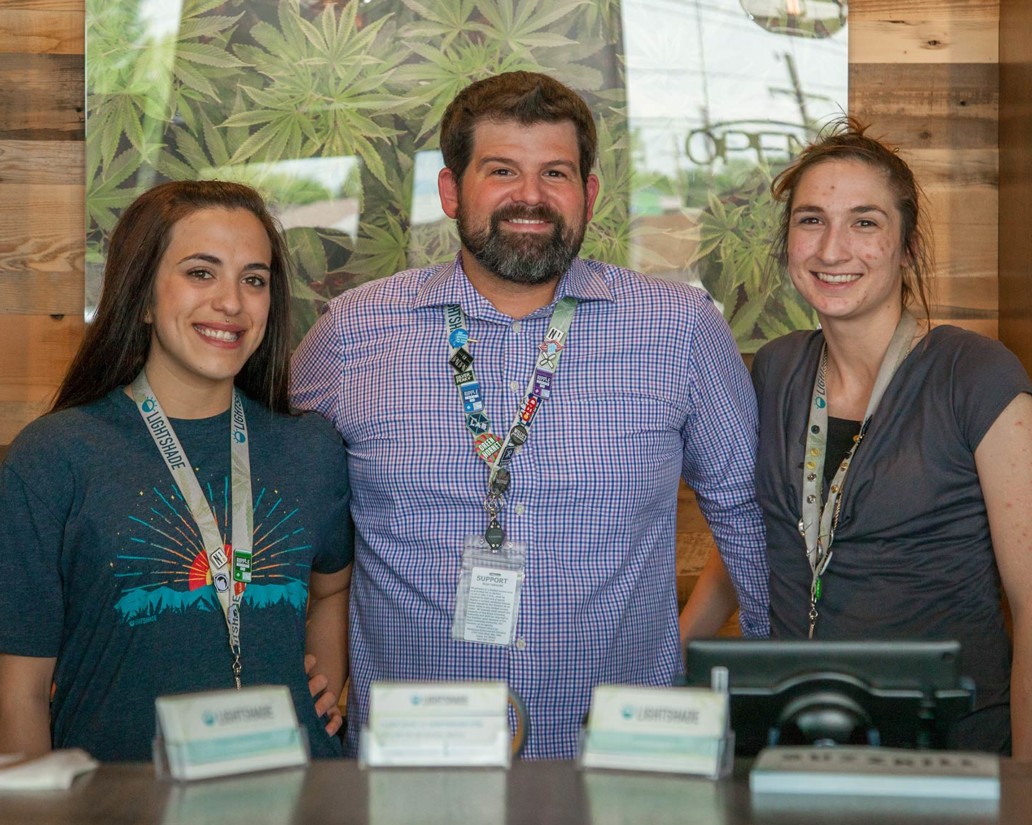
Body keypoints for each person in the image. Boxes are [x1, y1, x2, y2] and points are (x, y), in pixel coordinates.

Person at [290, 71, 769, 759]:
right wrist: (295, 656)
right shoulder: (352, 333)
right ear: (451, 190)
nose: (531, 197)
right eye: (502, 170)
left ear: (589, 194)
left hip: (621, 762)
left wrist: (782, 692)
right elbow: (275, 497)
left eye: (556, 173)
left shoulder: (681, 329)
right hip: (411, 767)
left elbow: (747, 516)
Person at [0, 180, 354, 761]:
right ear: (141, 297)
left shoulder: (310, 447)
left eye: (254, 280)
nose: (232, 303)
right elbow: (21, 694)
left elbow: (333, 584)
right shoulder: (54, 456)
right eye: (200, 273)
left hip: (294, 791)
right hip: (119, 799)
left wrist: (324, 685)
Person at [752, 118, 1032, 755]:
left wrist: (1025, 789)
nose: (832, 249)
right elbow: (771, 526)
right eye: (811, 219)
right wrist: (669, 663)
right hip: (796, 737)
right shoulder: (776, 368)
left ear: (907, 248)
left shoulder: (976, 374)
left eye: (865, 222)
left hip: (946, 747)